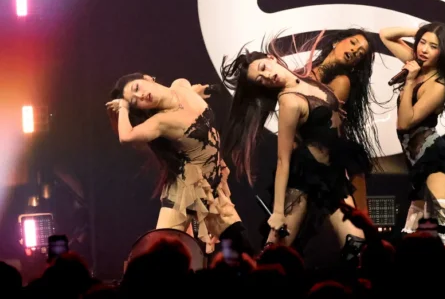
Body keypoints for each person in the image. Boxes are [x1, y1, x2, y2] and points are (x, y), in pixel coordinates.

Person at [220, 36, 368, 259]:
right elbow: (283, 160)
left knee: (358, 246)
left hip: (332, 178)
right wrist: (278, 212)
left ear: (271, 58)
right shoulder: (288, 101)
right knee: (276, 253)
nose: (267, 76)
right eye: (261, 80)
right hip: (304, 180)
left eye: (264, 68)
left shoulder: (310, 79)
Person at [106, 74, 251, 254]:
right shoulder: (161, 122)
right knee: (161, 253)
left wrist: (196, 92)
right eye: (135, 101)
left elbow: (187, 95)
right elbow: (126, 136)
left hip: (210, 190)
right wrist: (124, 107)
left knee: (242, 246)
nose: (141, 96)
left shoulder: (181, 85)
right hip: (185, 191)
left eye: (137, 88)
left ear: (147, 78)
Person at [380, 22, 445, 246]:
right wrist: (421, 32)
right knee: (411, 239)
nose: (424, 49)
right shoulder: (417, 64)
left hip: (438, 162)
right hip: (418, 164)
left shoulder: (438, 85)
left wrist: (410, 81)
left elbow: (404, 123)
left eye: (433, 46)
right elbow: (385, 34)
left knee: (439, 237)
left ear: (443, 51)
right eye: (422, 42)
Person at [299, 28, 380, 212]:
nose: (355, 51)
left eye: (360, 53)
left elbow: (322, 127)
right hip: (302, 156)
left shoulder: (341, 81)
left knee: (353, 220)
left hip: (327, 161)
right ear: (336, 42)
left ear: (355, 64)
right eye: (353, 43)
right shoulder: (304, 73)